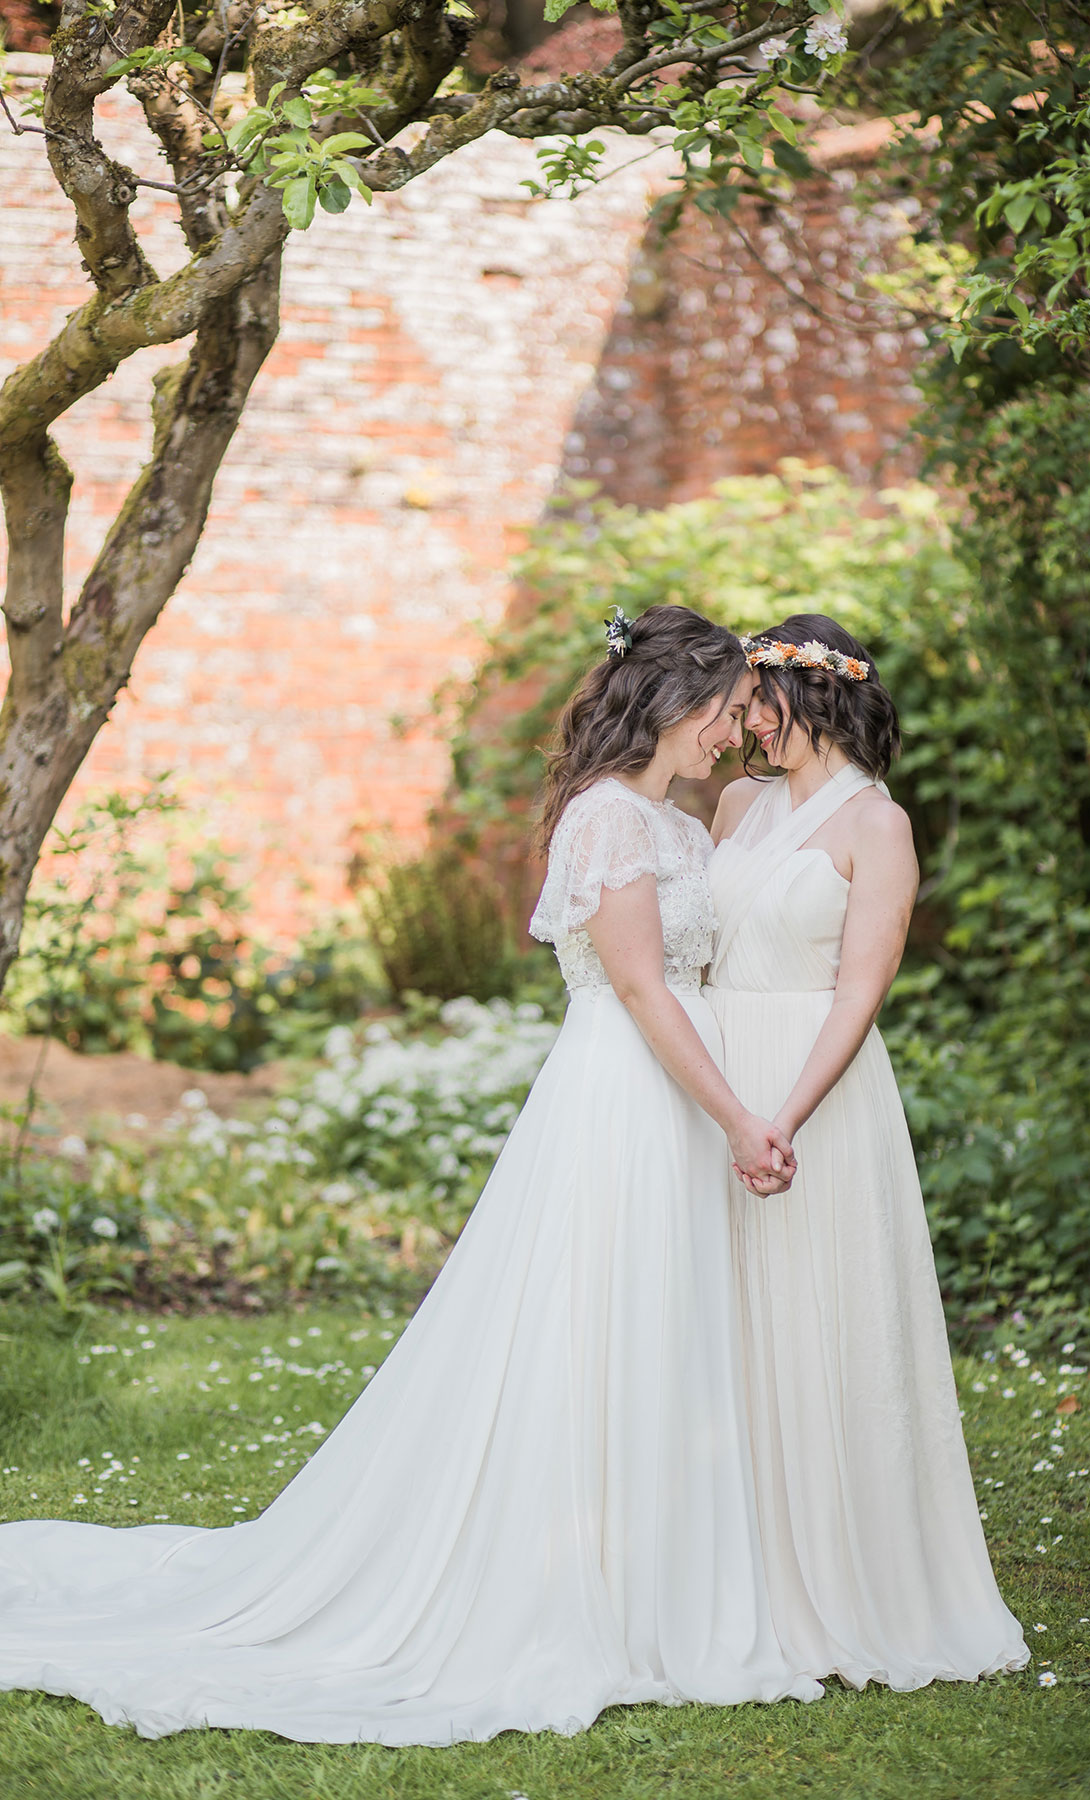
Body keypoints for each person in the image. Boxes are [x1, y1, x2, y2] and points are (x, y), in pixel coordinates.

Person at [0, 604, 821, 1748]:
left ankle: (657, 1565)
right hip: (624, 1097)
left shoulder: (681, 827)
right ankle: (571, 1577)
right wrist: (737, 1112)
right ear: (678, 704)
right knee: (590, 1320)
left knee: (662, 1319)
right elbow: (643, 991)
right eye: (729, 711)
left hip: (676, 1099)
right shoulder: (609, 824)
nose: (736, 734)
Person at [705, 613, 1029, 1690]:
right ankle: (728, 1573)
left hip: (818, 1092)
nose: (747, 718)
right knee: (732, 1320)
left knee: (822, 1316)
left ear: (819, 695)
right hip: (721, 1082)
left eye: (761, 698)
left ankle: (844, 1576)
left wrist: (787, 1113)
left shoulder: (876, 826)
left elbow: (861, 987)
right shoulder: (735, 803)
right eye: (745, 700)